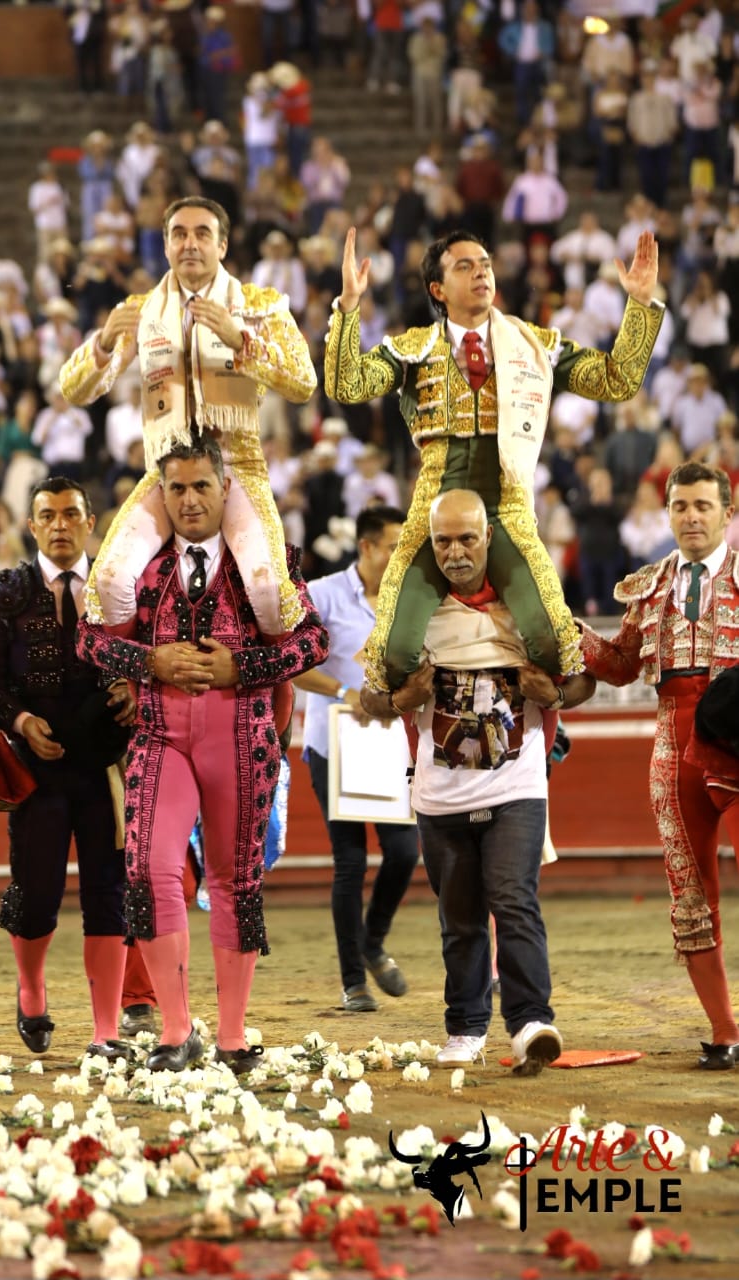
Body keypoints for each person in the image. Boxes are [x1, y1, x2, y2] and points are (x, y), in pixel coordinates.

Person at [75, 436, 329, 1073]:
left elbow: (314, 641)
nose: (189, 500)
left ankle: (234, 1035)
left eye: (201, 487)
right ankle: (176, 1029)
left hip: (241, 736)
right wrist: (147, 659)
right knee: (149, 872)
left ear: (225, 490)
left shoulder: (268, 562)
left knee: (234, 881)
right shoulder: (144, 567)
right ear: (162, 494)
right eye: (177, 488)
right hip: (160, 735)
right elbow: (88, 640)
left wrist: (241, 668)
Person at [324, 226, 665, 696]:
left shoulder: (532, 344)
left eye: (484, 263)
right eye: (464, 266)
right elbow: (347, 386)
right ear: (437, 289)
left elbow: (615, 381)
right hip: (433, 514)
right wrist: (347, 308)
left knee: (551, 641)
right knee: (394, 653)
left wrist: (640, 307)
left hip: (506, 510)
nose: (480, 272)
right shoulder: (413, 347)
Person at [361, 489, 595, 1071]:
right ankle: (465, 1025)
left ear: (490, 537)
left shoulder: (531, 608)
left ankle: (531, 1021)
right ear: (429, 544)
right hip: (439, 793)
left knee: (514, 900)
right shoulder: (410, 618)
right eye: (443, 541)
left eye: (467, 538)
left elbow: (584, 678)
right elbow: (370, 696)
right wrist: (399, 698)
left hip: (516, 786)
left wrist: (556, 694)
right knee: (458, 914)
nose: (456, 552)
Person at [59, 196, 316, 649]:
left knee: (270, 589)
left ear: (222, 245)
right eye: (179, 234)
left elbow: (303, 383)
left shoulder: (260, 305)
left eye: (202, 234)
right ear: (165, 246)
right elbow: (73, 390)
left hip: (237, 468)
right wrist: (102, 343)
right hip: (166, 472)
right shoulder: (142, 311)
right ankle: (142, 686)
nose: (190, 243)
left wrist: (241, 341)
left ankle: (271, 709)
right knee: (108, 581)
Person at [580, 461, 739, 1071]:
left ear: (726, 513)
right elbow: (620, 664)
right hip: (672, 745)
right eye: (681, 506)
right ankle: (725, 1032)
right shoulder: (648, 586)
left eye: (703, 505)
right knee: (692, 896)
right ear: (668, 512)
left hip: (738, 739)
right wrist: (563, 629)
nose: (691, 516)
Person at [0, 477, 134, 1061]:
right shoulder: (4, 593)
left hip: (103, 766)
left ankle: (105, 1030)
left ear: (91, 524)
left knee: (107, 894)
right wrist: (19, 722)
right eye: (48, 516)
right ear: (32, 526)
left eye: (70, 514)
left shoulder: (120, 591)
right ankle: (33, 991)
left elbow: (145, 657)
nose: (60, 525)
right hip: (35, 770)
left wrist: (131, 688)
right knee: (37, 893)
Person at [294, 505, 418, 1012]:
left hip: (385, 740)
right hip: (335, 742)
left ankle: (372, 941)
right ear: (366, 547)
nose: (399, 557)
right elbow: (294, 664)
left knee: (406, 851)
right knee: (349, 861)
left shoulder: (407, 601)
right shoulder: (322, 594)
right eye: (393, 547)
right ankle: (353, 982)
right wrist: (343, 689)